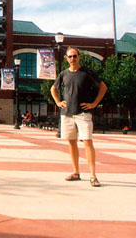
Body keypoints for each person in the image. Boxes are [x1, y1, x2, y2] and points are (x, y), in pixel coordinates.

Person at [51, 47, 107, 188]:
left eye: (75, 56)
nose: (72, 59)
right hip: (67, 114)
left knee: (87, 141)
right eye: (70, 56)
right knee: (71, 142)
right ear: (66, 58)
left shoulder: (87, 72)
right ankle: (76, 172)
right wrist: (58, 102)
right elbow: (53, 89)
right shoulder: (63, 74)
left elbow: (103, 87)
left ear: (79, 57)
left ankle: (93, 176)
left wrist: (94, 103)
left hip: (83, 114)